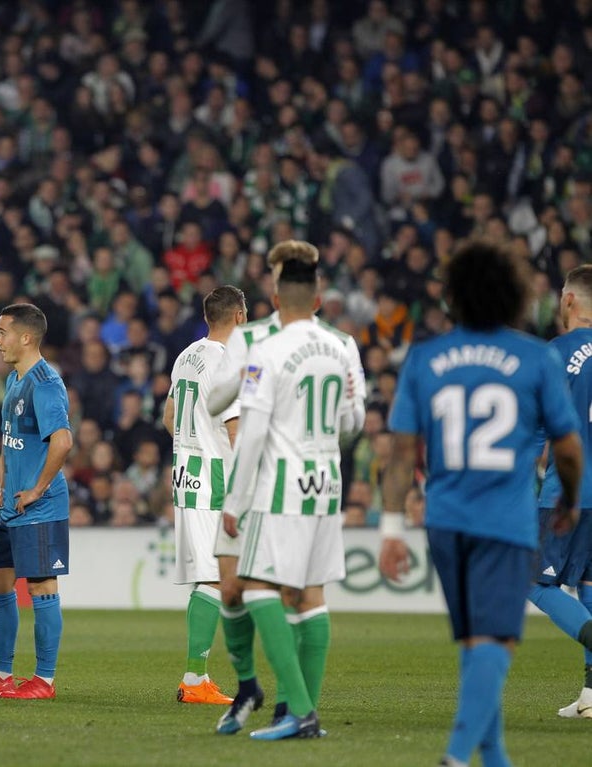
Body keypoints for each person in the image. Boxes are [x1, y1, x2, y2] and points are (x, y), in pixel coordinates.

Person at [380, 240, 583, 767]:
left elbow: (402, 456)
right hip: (507, 520)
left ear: (454, 298)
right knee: (495, 642)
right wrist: (570, 500)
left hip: (446, 521)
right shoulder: (535, 357)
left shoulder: (425, 358)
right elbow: (566, 445)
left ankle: (494, 758)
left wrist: (391, 529)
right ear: (513, 294)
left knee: (475, 642)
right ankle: (455, 754)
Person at [209, 240, 367, 734]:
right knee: (303, 595)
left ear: (277, 294)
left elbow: (250, 429)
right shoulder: (341, 346)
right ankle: (278, 702)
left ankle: (299, 710)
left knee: (260, 589)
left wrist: (235, 499)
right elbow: (352, 421)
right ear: (316, 295)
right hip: (326, 482)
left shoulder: (264, 348)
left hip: (275, 486)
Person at [0, 303, 73, 699]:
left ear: (26, 337)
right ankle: (1, 675)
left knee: (42, 587)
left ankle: (44, 680)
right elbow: (18, 442)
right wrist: (9, 482)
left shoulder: (44, 383)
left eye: (2, 332)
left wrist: (37, 489)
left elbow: (62, 442)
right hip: (13, 505)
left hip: (39, 506)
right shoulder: (15, 379)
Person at [163, 285, 246, 706]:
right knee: (216, 576)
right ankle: (195, 678)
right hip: (215, 478)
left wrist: (189, 448)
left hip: (188, 474)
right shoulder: (228, 362)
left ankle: (197, 677)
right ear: (240, 317)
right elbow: (237, 430)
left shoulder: (187, 355)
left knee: (214, 575)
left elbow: (169, 416)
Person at [534, 264, 592, 719]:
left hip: (568, 492)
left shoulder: (555, 353)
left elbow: (535, 429)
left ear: (569, 300)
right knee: (589, 588)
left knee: (532, 579)